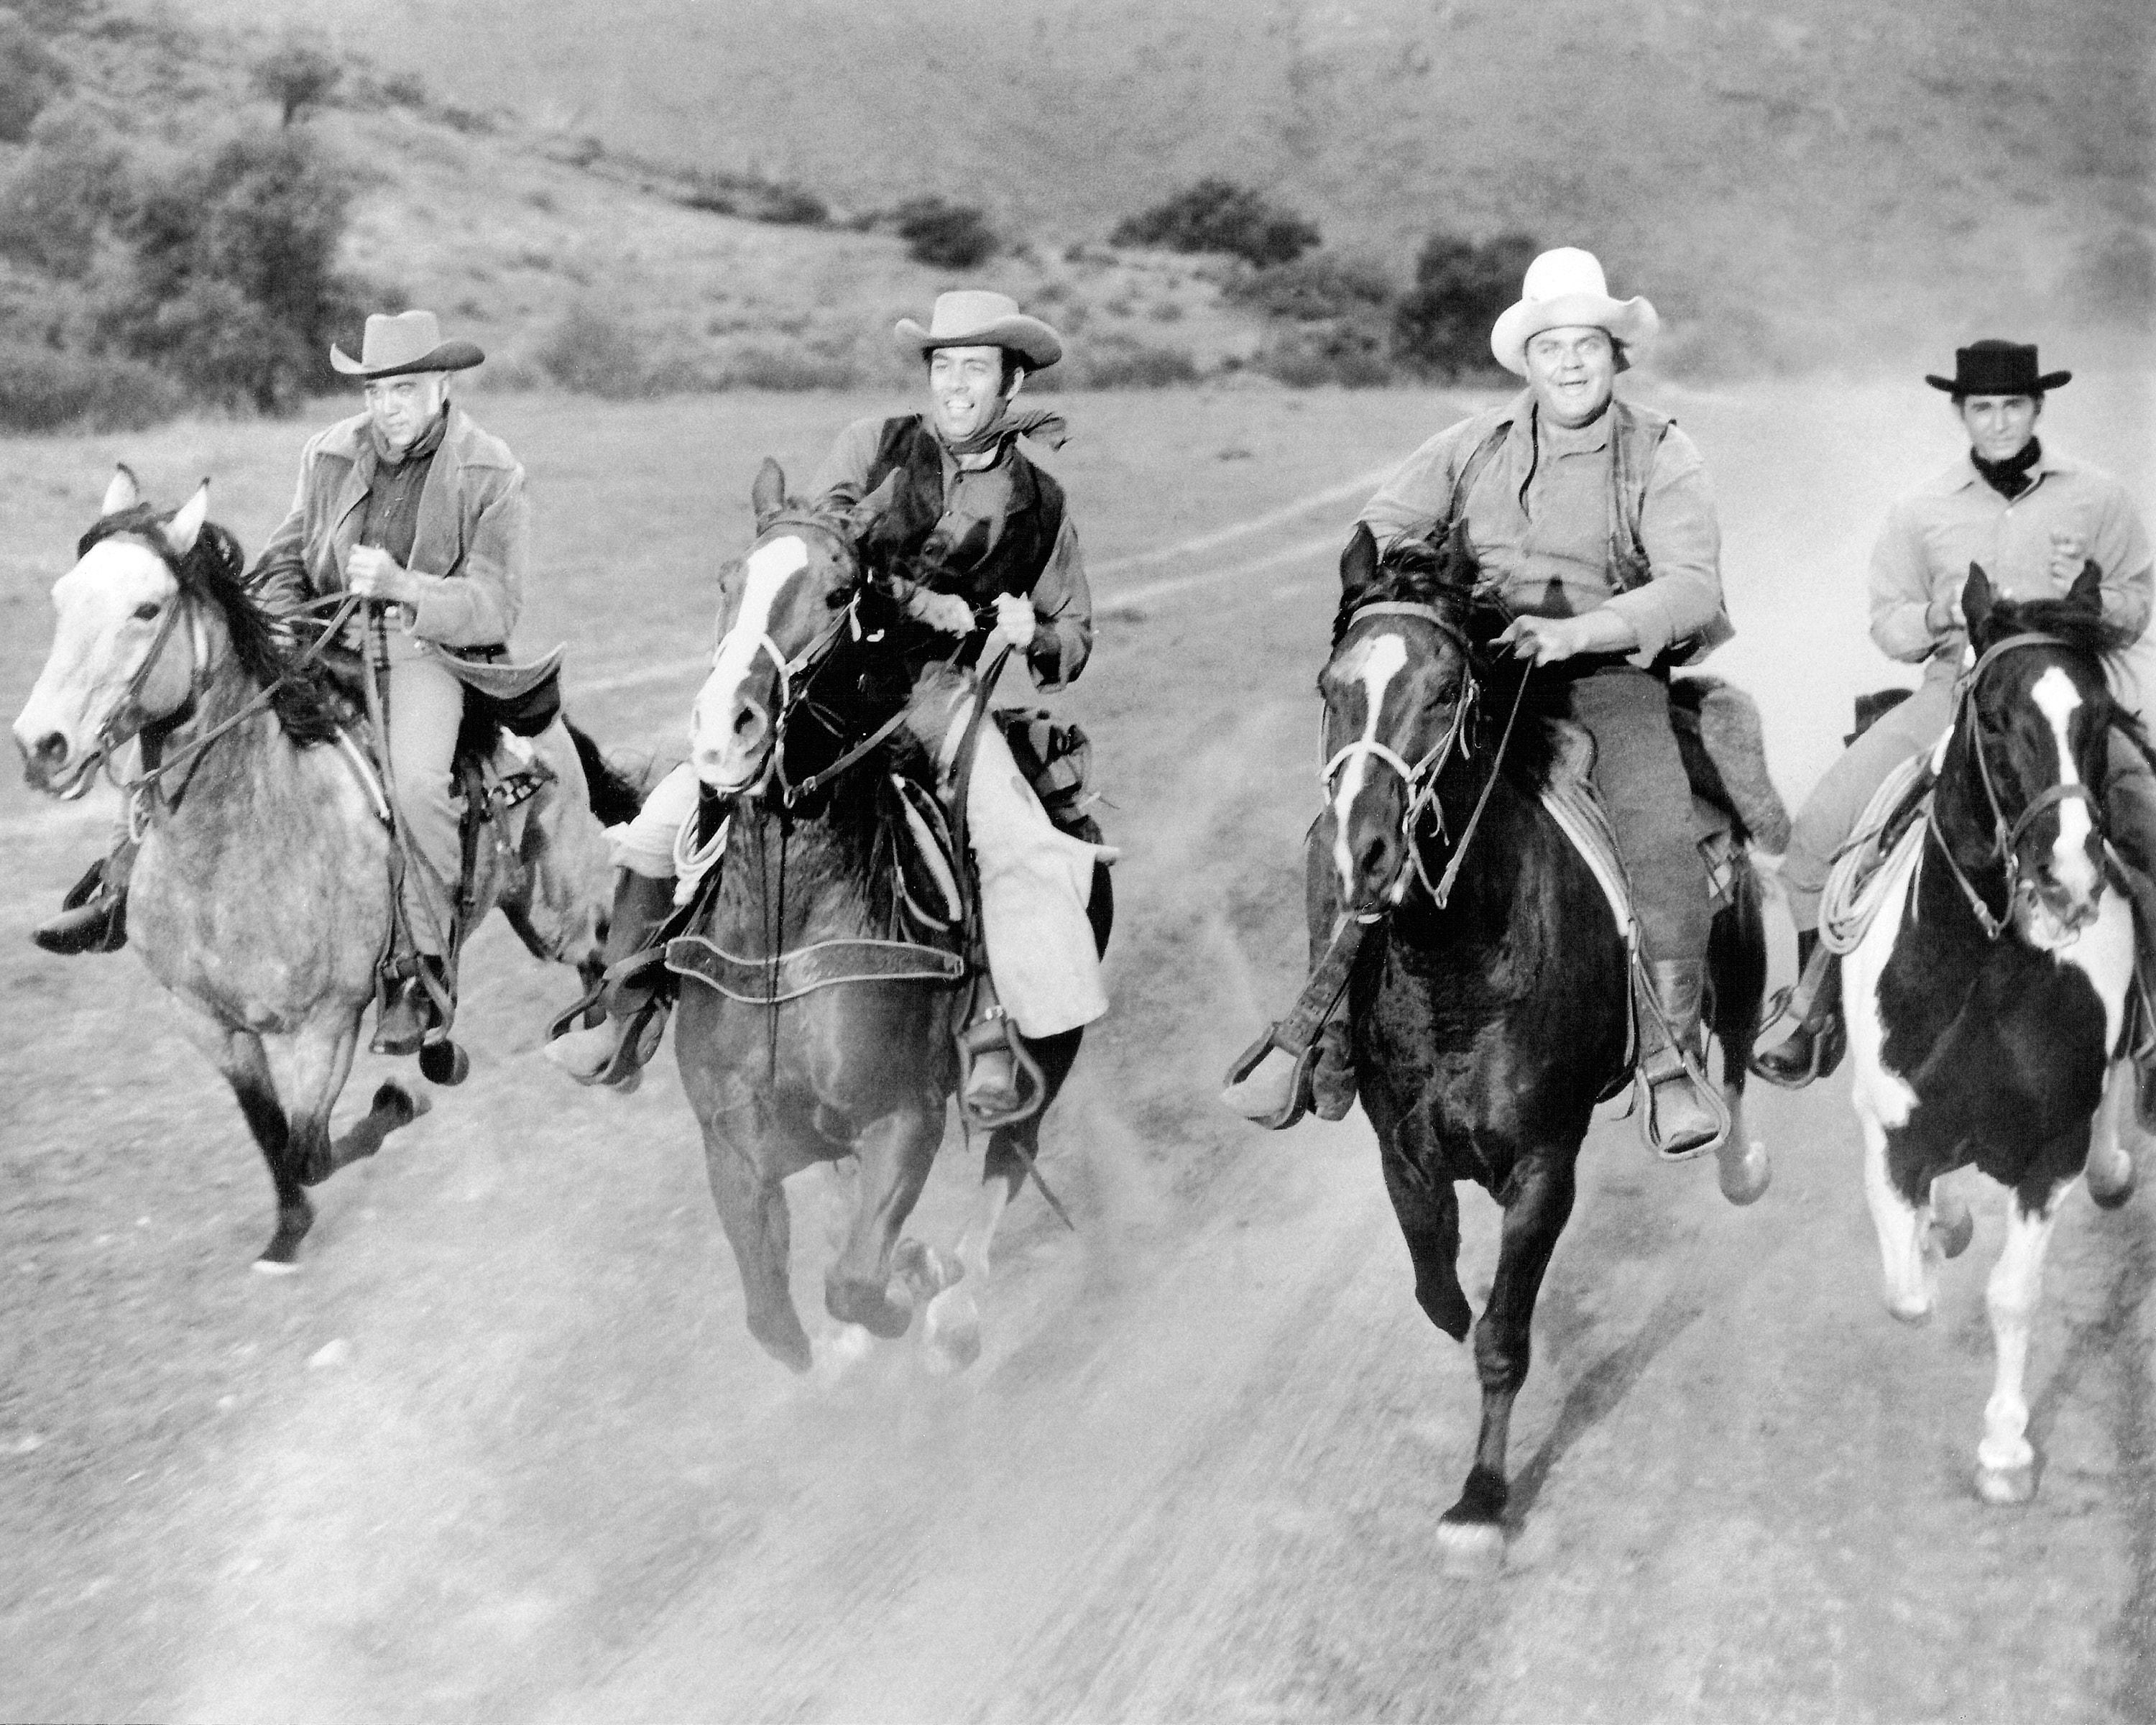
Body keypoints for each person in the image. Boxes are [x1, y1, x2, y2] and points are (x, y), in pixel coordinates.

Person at [1222, 246, 1734, 1159]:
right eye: (1552, 348)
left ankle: (1666, 1059)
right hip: (1476, 672)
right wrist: (1401, 594)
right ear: (1528, 361)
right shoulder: (1470, 445)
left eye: (1587, 345)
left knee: (1658, 828)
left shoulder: (1663, 450)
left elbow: (1693, 584)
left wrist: (1581, 632)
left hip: (1604, 676)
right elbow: (1381, 525)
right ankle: (1328, 1035)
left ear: (1616, 355)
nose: (1570, 363)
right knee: (1343, 822)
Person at [550, 290, 1110, 1114]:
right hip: (834, 681)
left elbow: (1075, 637)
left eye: (976, 370)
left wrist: (1032, 634)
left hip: (944, 698)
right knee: (673, 807)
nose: (956, 387)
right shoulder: (872, 445)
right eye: (944, 367)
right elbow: (817, 546)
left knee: (1013, 837)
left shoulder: (1045, 506)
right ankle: (624, 1007)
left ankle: (993, 1026)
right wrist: (918, 601)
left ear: (1012, 383)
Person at [34, 308, 533, 1058]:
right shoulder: (330, 451)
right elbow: (288, 550)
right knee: (186, 715)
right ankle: (116, 886)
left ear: (441, 386)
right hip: (321, 636)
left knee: (421, 785)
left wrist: (404, 585)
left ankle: (418, 969)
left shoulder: (491, 470)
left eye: (403, 390)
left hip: (425, 650)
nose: (386, 408)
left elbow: (496, 602)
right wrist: (269, 618)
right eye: (375, 392)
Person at [1755, 340, 2156, 1085]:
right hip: (1953, 694)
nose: (1999, 422)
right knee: (1815, 840)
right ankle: (1816, 1015)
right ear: (1960, 413)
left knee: (2151, 824)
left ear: (2037, 408)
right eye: (1983, 408)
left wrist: (2089, 607)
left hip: (2061, 704)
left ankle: (2151, 1024)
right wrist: (1939, 612)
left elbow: (2137, 598)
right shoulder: (1921, 510)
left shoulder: (2097, 497)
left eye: (2012, 406)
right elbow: (1889, 623)